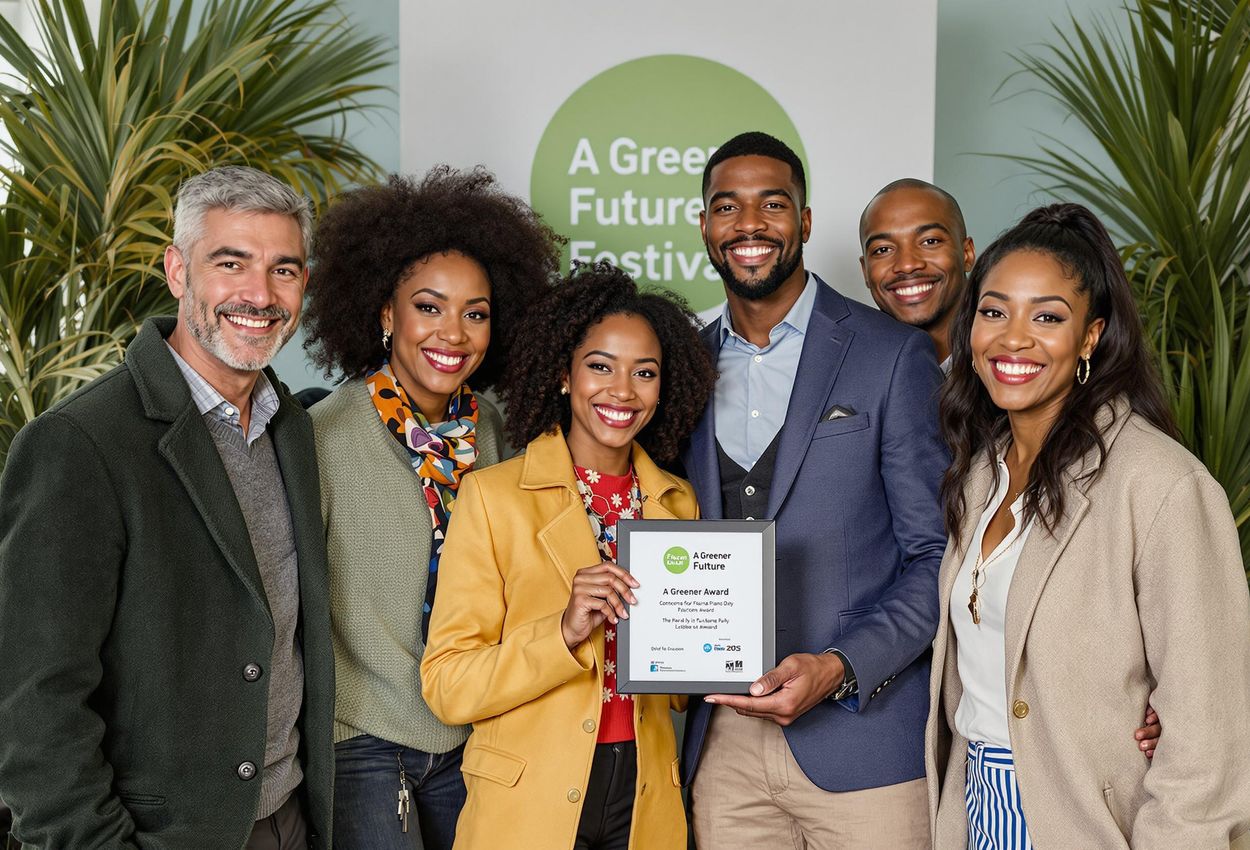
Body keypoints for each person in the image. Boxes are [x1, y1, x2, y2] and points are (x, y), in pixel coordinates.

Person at [0, 166, 332, 849]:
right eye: (231, 262)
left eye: (284, 270)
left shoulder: (291, 427)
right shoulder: (79, 443)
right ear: (178, 271)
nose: (259, 295)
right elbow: (31, 703)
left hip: (289, 820)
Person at [925, 203, 1250, 847]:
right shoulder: (979, 474)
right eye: (994, 312)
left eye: (1047, 317)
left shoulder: (1160, 485)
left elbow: (1208, 736)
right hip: (975, 806)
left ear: (1092, 336)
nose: (1013, 339)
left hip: (1088, 819)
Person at [678, 131, 948, 847]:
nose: (749, 225)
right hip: (723, 753)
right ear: (704, 226)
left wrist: (841, 667)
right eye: (726, 207)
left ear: (803, 222)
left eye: (773, 204)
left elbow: (936, 555)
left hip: (866, 744)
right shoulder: (679, 370)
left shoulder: (892, 354)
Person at [300, 168, 561, 850]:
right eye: (429, 306)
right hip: (362, 739)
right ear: (386, 314)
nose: (453, 333)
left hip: (479, 730)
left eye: (475, 312)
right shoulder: (322, 437)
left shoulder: (505, 435)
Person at [420, 263, 716, 850]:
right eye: (600, 366)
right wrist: (561, 632)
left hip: (644, 795)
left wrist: (716, 642)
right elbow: (448, 686)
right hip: (526, 799)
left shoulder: (678, 503)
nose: (622, 391)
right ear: (563, 374)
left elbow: (682, 691)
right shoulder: (493, 497)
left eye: (645, 372)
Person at [859, 178, 975, 371]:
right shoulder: (848, 366)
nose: (907, 265)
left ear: (967, 254)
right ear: (865, 271)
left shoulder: (1008, 357)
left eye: (930, 241)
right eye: (883, 250)